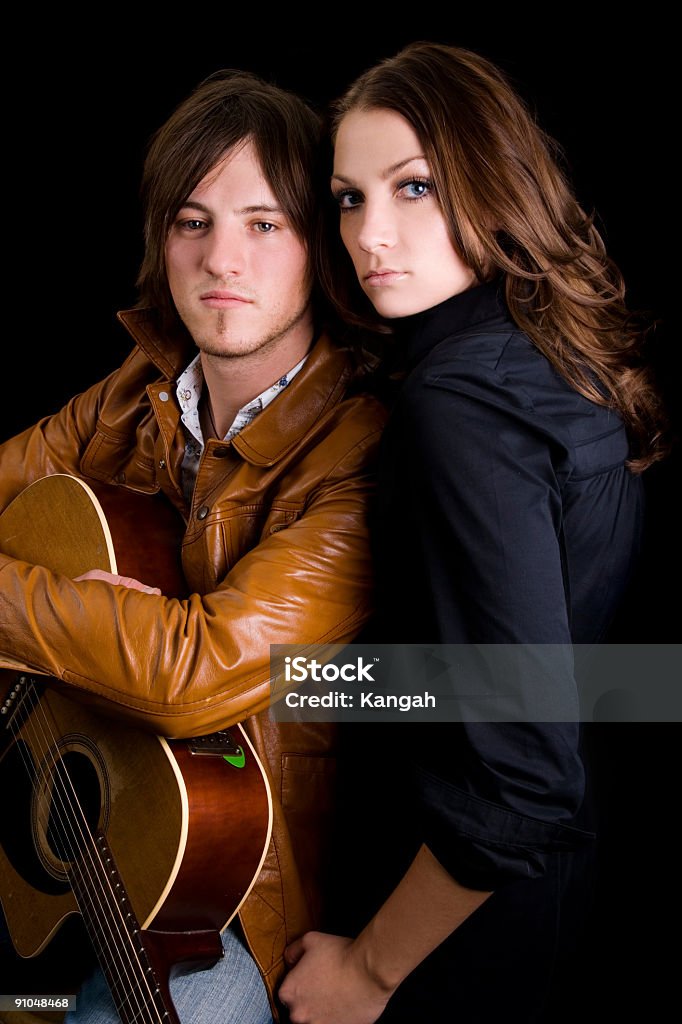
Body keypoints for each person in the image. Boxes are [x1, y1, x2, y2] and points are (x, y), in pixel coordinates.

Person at [278, 41, 671, 1023]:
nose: (371, 232)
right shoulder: (539, 353)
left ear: (489, 177)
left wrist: (368, 970)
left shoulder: (462, 399)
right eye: (348, 197)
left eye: (411, 188)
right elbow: (575, 678)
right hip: (543, 884)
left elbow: (522, 769)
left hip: (445, 920)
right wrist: (295, 679)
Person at [0, 68, 387, 1024]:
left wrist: (101, 623)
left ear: (319, 248)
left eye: (265, 223)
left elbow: (195, 671)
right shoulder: (138, 392)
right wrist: (101, 623)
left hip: (230, 897)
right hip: (84, 815)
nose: (223, 258)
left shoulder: (359, 445)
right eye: (192, 221)